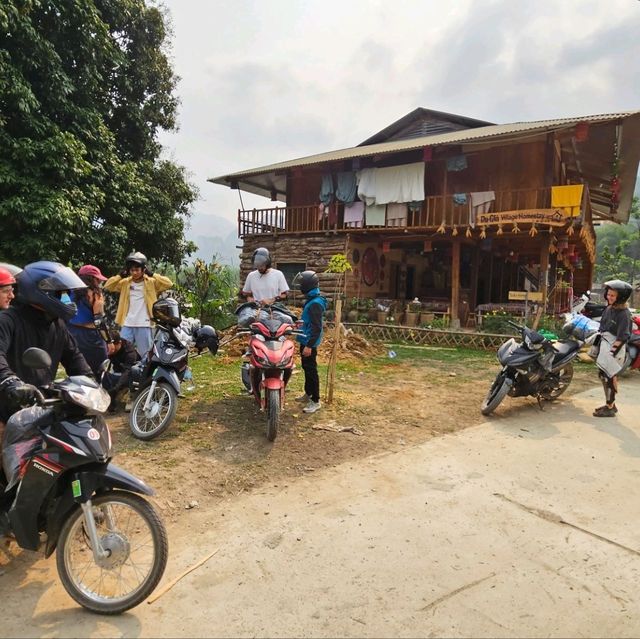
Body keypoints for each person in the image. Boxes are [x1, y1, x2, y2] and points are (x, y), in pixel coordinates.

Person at [0, 261, 93, 433]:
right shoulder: (8, 320)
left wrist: (89, 380)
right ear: (40, 292)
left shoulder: (57, 324)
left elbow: (74, 357)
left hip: (41, 407)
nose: (67, 299)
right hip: (7, 409)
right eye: (60, 294)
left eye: (67, 293)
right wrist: (10, 382)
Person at [104, 251, 173, 358]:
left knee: (145, 353)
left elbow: (168, 283)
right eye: (132, 270)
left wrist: (152, 274)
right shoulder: (125, 283)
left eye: (137, 270)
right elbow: (108, 286)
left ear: (143, 269)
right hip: (127, 323)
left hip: (144, 323)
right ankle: (124, 371)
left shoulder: (151, 282)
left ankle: (144, 373)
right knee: (122, 350)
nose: (134, 273)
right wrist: (119, 276)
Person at [592, 279, 633, 418]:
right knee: (603, 375)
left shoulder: (624, 314)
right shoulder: (610, 308)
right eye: (608, 294)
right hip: (605, 344)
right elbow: (603, 327)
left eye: (612, 295)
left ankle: (610, 407)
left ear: (620, 297)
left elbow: (623, 337)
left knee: (609, 376)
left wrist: (610, 355)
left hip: (615, 348)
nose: (609, 297)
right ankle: (610, 405)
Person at [293, 270, 327, 414]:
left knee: (311, 370)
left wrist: (309, 346)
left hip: (309, 343)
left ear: (307, 285)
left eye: (301, 283)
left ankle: (316, 400)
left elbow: (317, 328)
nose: (300, 286)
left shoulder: (315, 304)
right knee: (307, 368)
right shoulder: (312, 299)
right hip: (305, 340)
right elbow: (309, 322)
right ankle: (308, 394)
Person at [67, 264, 109, 377]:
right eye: (98, 279)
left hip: (71, 332)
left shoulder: (68, 291)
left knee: (77, 367)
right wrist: (108, 340)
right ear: (92, 279)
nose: (99, 282)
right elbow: (99, 321)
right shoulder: (95, 294)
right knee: (100, 369)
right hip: (91, 337)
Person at [103, 330, 141, 412]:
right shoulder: (106, 348)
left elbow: (127, 372)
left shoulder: (130, 353)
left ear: (119, 343)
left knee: (134, 371)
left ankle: (133, 396)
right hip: (117, 372)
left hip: (132, 376)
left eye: (111, 346)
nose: (108, 349)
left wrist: (116, 388)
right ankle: (111, 399)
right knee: (104, 376)